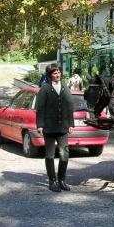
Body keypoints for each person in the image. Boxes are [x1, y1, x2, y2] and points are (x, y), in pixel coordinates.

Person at [36, 63, 75, 192]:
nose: (57, 74)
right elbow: (40, 108)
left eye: (58, 72)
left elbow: (70, 107)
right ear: (50, 75)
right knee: (50, 155)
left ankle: (62, 180)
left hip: (63, 128)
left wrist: (71, 124)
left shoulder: (65, 88)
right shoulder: (45, 89)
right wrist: (40, 125)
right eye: (54, 73)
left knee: (65, 154)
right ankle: (52, 181)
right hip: (49, 127)